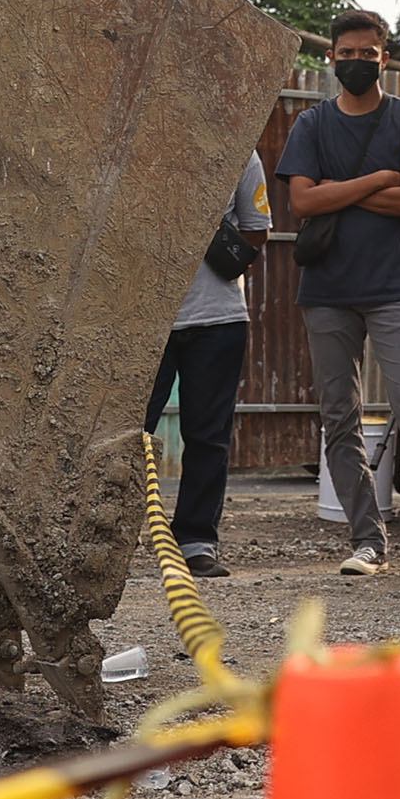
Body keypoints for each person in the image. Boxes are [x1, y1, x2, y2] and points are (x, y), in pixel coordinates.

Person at [282, 9, 400, 579]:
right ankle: (367, 541)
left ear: (385, 55)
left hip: (394, 288)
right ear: (330, 58)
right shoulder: (311, 125)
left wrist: (342, 189)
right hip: (327, 289)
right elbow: (302, 203)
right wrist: (380, 178)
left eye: (367, 53)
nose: (356, 62)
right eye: (346, 54)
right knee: (340, 417)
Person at [150, 150, 270, 575]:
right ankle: (110, 535)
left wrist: (210, 236)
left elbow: (257, 231)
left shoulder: (238, 151)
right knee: (130, 434)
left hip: (218, 317)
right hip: (141, 321)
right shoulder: (135, 142)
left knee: (208, 435)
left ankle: (197, 540)